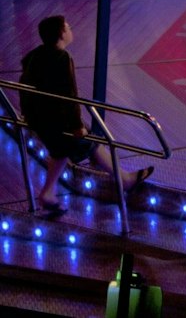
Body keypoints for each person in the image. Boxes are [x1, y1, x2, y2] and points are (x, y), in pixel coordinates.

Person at [20, 14, 125, 213]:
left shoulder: (35, 55)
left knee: (60, 152)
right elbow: (69, 95)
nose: (70, 29)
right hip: (56, 121)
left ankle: (48, 193)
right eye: (68, 27)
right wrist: (77, 125)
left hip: (38, 118)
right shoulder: (62, 57)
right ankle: (123, 180)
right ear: (61, 34)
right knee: (88, 143)